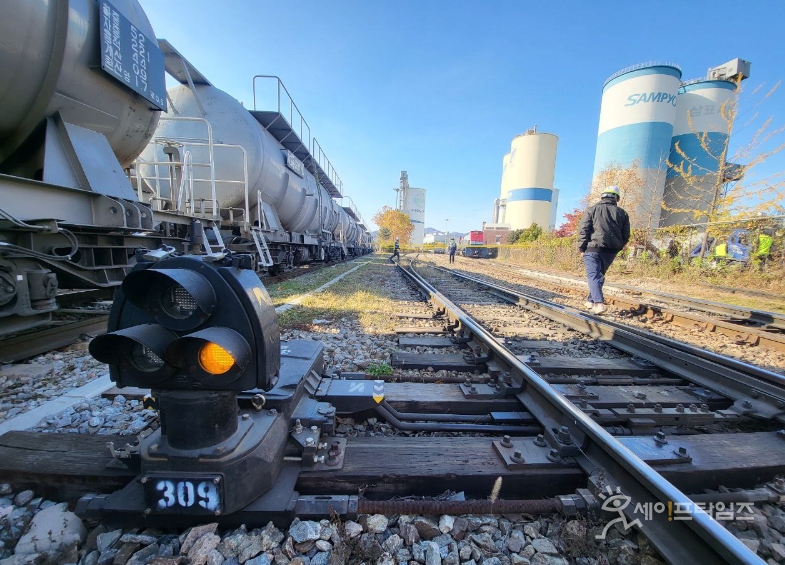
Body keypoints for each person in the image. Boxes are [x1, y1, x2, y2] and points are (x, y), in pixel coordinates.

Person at [577, 185, 630, 314]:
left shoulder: (592, 210)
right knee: (599, 275)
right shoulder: (623, 213)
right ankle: (590, 301)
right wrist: (618, 246)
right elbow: (626, 234)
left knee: (594, 275)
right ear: (617, 198)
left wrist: (582, 248)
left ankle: (599, 304)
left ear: (602, 197)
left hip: (593, 248)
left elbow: (584, 230)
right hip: (611, 251)